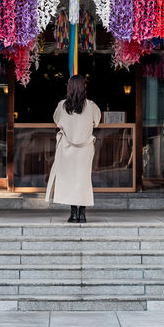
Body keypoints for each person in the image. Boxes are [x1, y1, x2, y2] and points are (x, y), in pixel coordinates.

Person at [45, 74, 101, 223]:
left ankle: (73, 213)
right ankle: (82, 213)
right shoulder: (91, 106)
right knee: (83, 180)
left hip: (67, 148)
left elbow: (56, 121)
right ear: (84, 87)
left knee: (70, 179)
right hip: (85, 149)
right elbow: (97, 122)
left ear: (69, 88)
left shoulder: (62, 106)